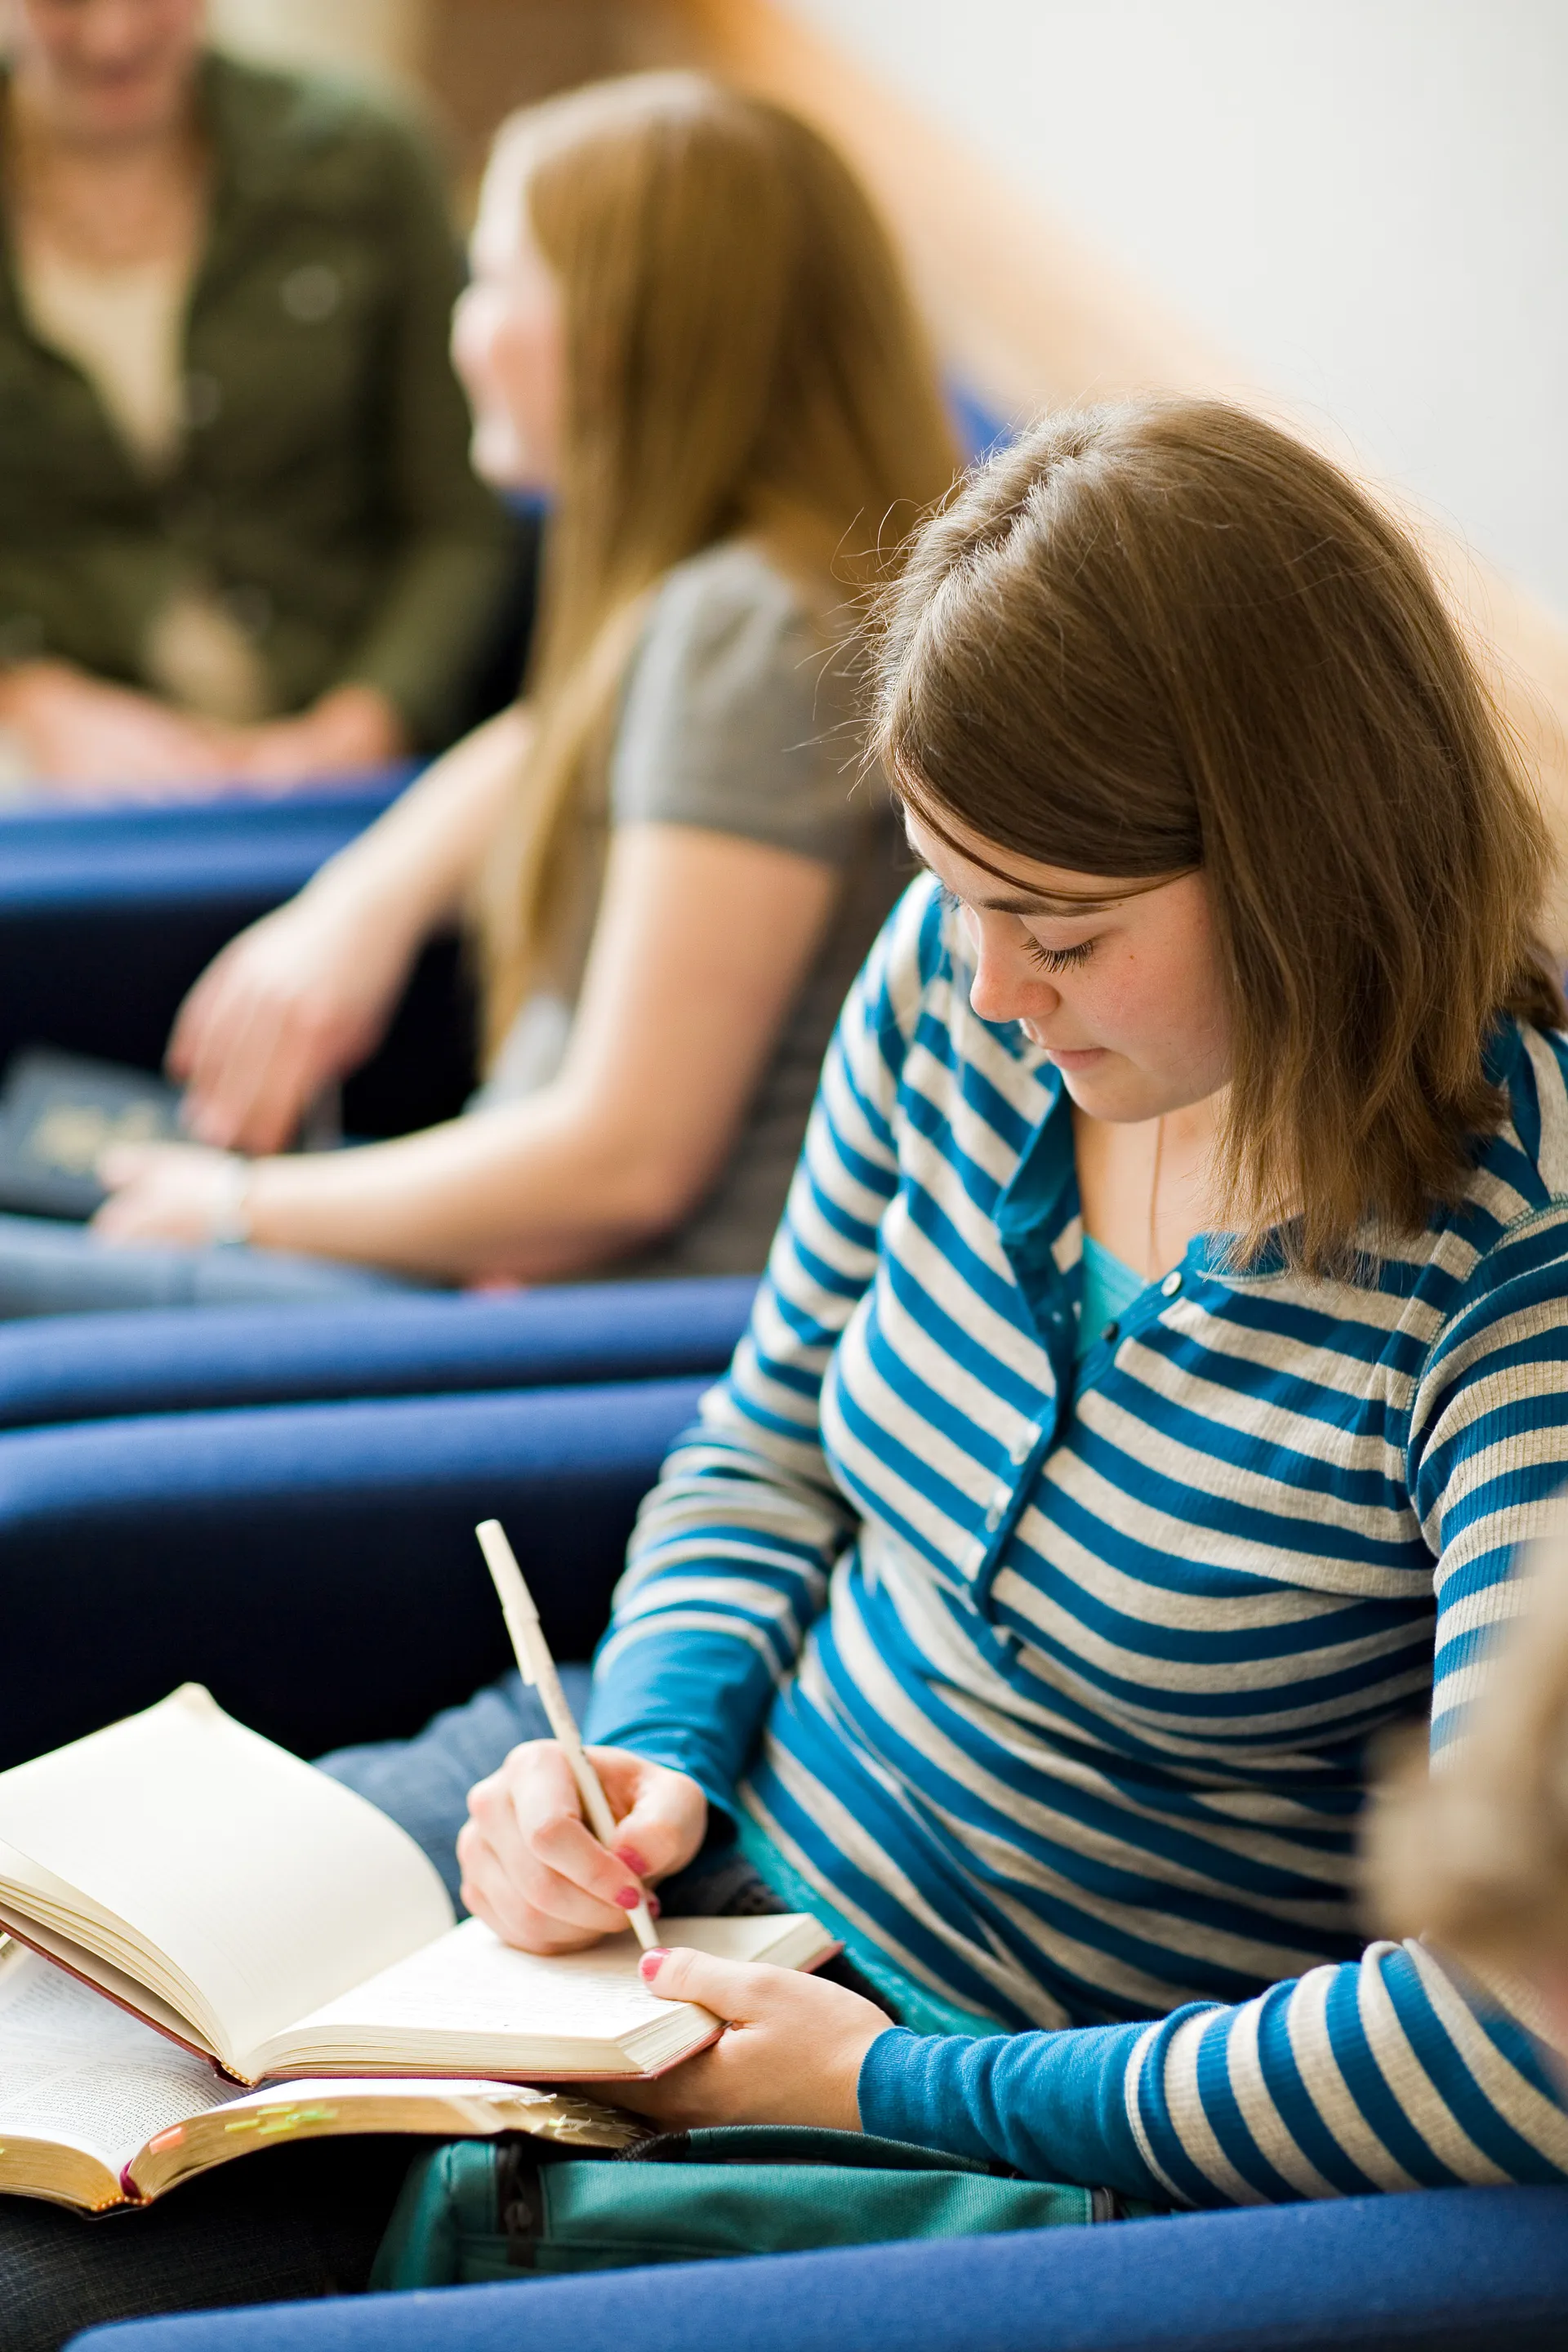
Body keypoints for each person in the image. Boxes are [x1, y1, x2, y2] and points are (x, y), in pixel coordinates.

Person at [343, 396, 1568, 2201]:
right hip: (693, 1833)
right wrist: (648, 1750)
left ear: (1310, 871)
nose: (993, 988)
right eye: (952, 895)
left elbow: (1515, 2045)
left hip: (993, 2058)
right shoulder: (954, 988)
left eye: (1062, 932)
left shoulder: (1508, 1272)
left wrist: (907, 2087)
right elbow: (768, 1447)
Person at [0, 69, 957, 1313]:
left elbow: (625, 1163)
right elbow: (569, 733)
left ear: (617, 343)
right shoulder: (747, 594)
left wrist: (237, 1208)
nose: (461, 328)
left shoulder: (748, 635)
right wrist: (370, 896)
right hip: (520, 1271)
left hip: (565, 1327)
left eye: (497, 283)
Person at [0, 0, 514, 792]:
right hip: (46, 769)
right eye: (63, 2)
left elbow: (460, 519)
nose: (113, 34)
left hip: (344, 752)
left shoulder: (364, 158)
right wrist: (28, 700)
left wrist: (362, 725)